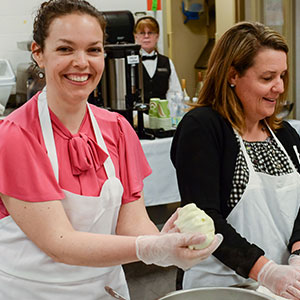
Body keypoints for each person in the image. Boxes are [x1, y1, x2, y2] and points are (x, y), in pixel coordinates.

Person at [0, 1, 222, 299]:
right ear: (39, 53)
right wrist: (148, 248)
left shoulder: (117, 129)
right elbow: (58, 241)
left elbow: (131, 222)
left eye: (93, 50)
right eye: (65, 49)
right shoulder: (16, 136)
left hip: (105, 291)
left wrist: (163, 242)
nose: (82, 62)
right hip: (33, 292)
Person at [171, 21, 300, 299]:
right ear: (232, 75)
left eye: (282, 76)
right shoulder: (203, 128)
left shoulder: (285, 134)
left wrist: (297, 256)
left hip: (282, 283)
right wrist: (265, 271)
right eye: (267, 78)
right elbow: (205, 218)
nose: (278, 87)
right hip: (220, 285)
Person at [134, 16, 182, 104]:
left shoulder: (167, 62)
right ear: (135, 36)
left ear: (157, 36)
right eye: (142, 33)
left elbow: (175, 93)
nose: (146, 36)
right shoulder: (131, 64)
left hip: (163, 115)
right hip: (138, 115)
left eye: (150, 33)